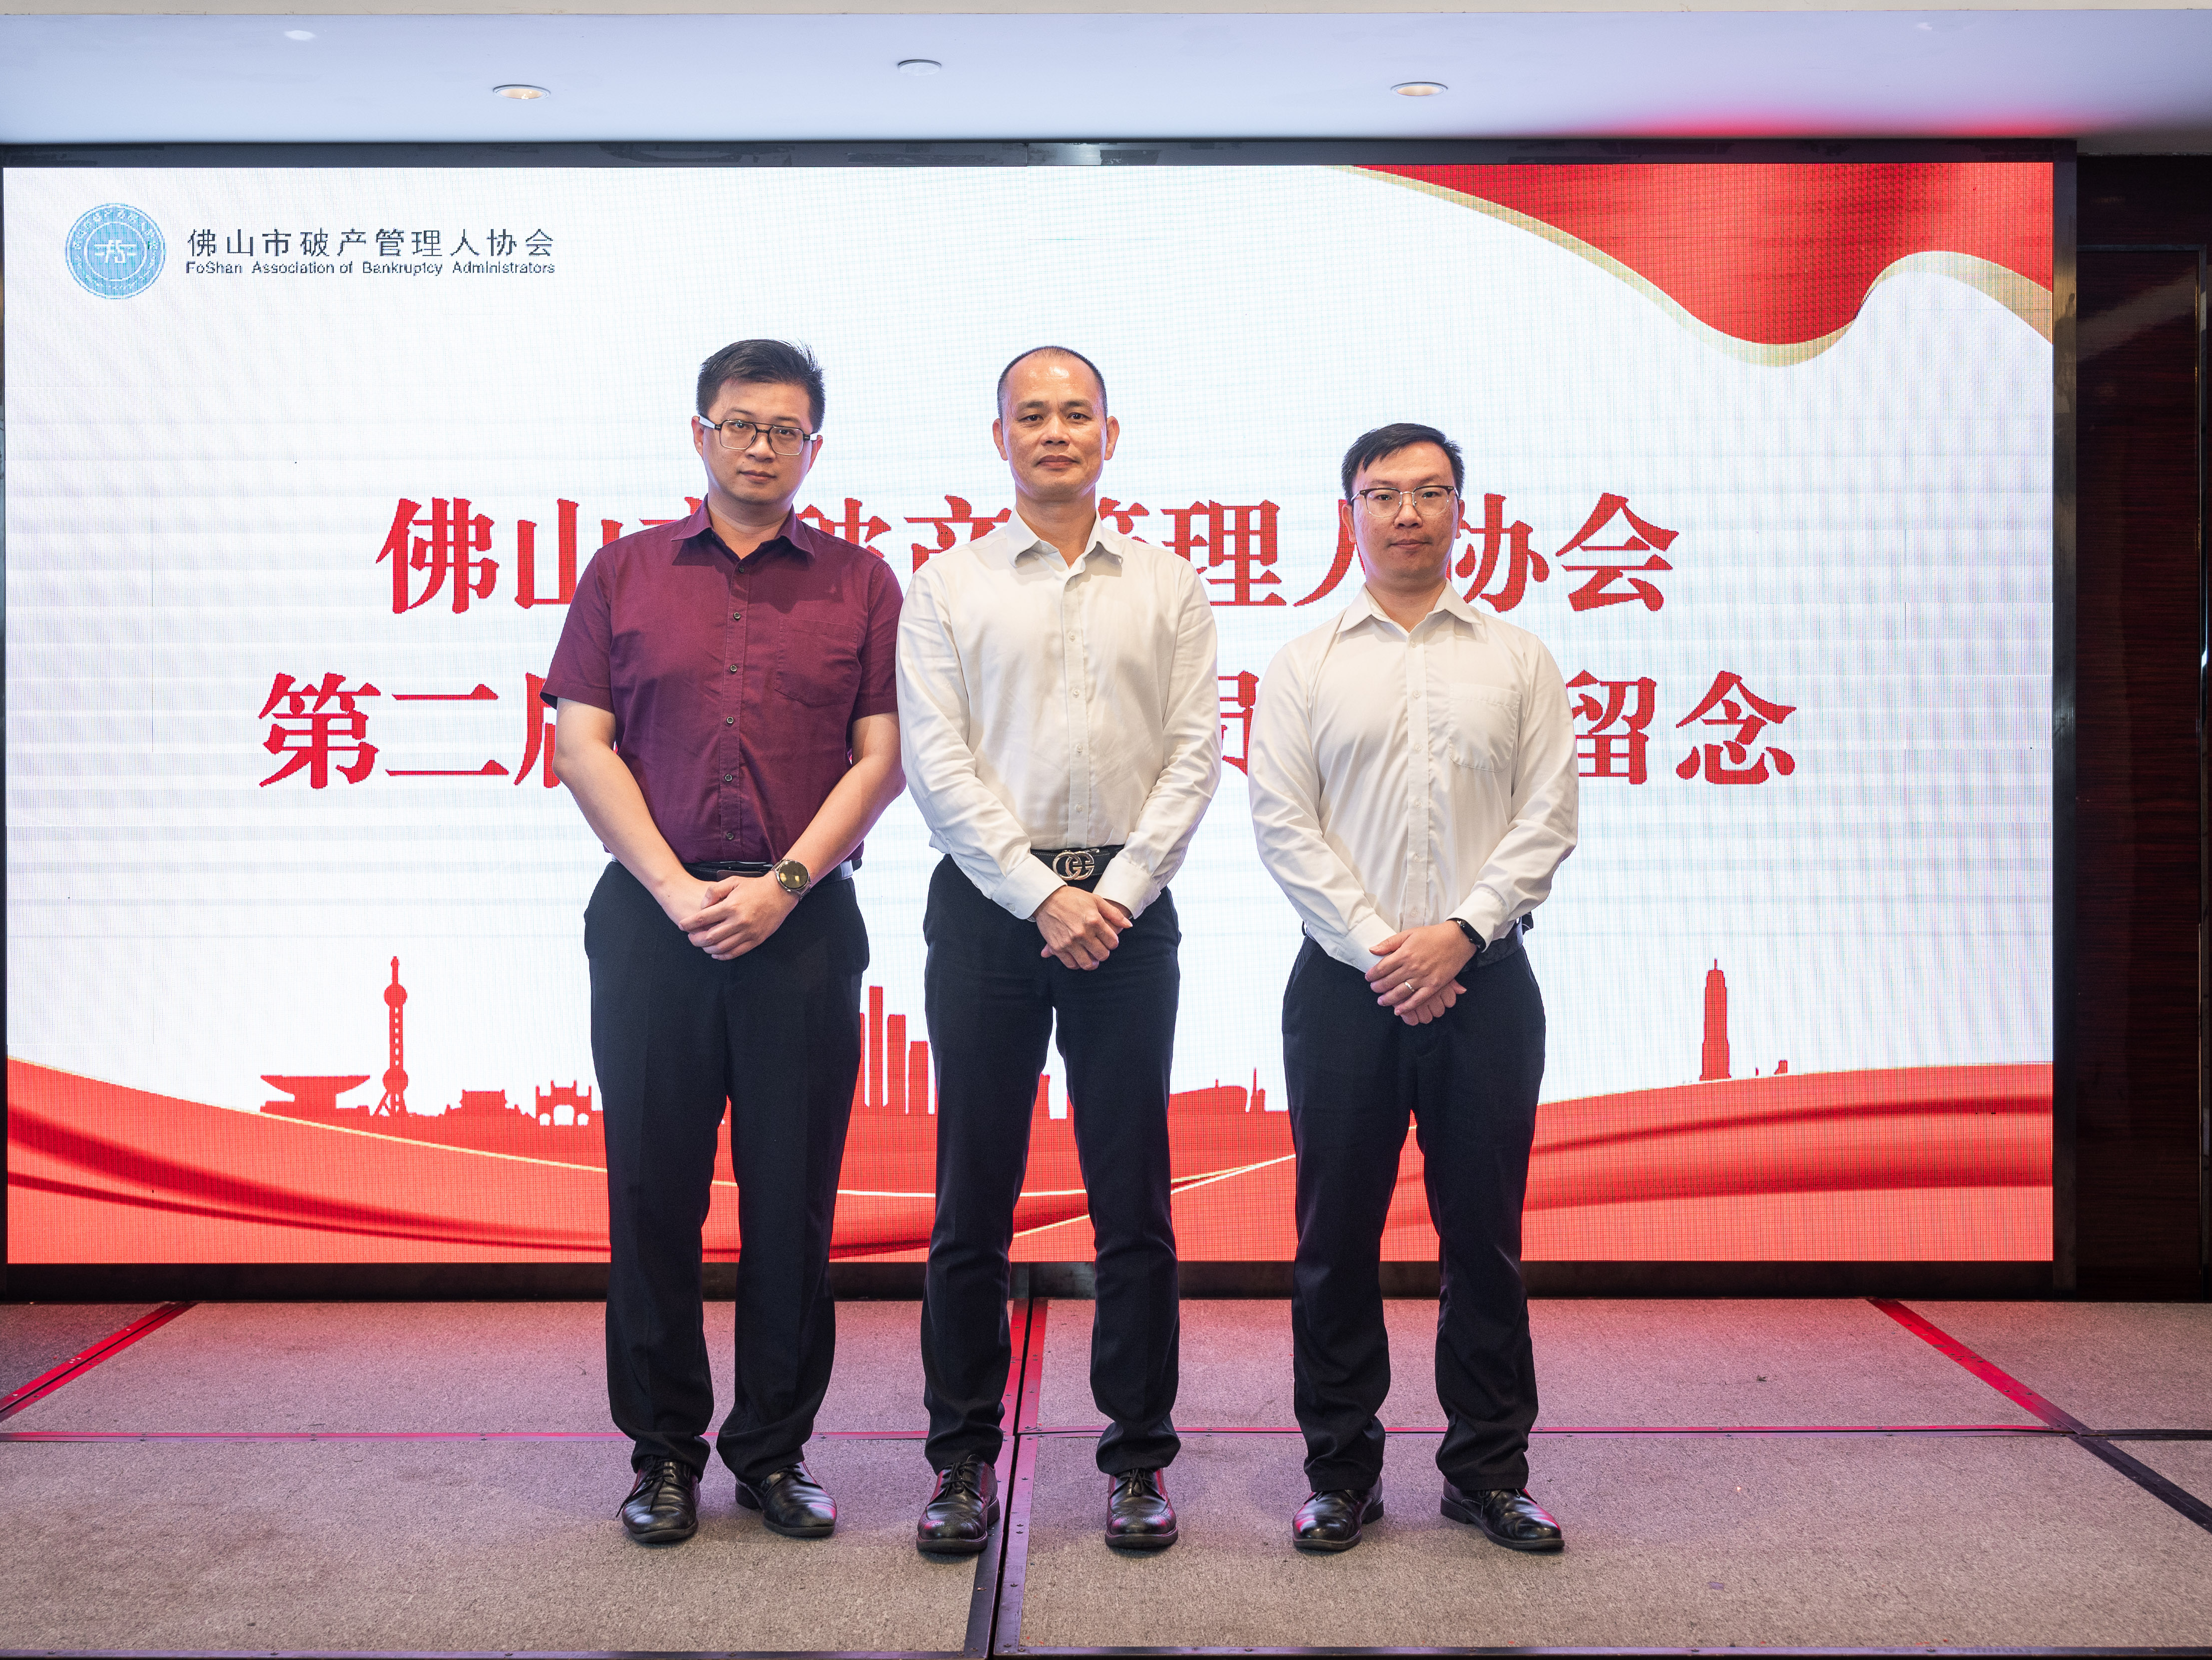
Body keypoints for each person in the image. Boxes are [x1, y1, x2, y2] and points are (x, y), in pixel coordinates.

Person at [545, 339, 906, 1545]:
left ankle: (774, 1451)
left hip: (801, 926)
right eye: (739, 425)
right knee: (652, 1193)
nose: (761, 447)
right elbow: (582, 743)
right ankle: (660, 1453)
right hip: (652, 923)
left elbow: (883, 757)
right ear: (700, 434)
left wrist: (787, 883)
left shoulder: (862, 583)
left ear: (814, 447)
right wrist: (670, 886)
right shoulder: (623, 571)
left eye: (784, 429)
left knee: (793, 1200)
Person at [898, 346, 1220, 1556]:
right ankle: (960, 1457)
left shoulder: (1169, 585)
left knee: (1132, 1198)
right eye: (1029, 415)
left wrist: (1114, 893)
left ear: (1109, 434)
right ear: (999, 439)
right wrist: (1041, 894)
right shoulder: (947, 584)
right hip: (990, 907)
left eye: (1074, 413)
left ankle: (1138, 1458)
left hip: (1128, 912)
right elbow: (938, 763)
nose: (1053, 432)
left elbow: (1194, 753)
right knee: (970, 1197)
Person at [1245, 422, 1577, 1555]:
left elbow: (1547, 817)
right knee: (1335, 1237)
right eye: (1382, 494)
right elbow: (1284, 826)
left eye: (1430, 493)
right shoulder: (1305, 664)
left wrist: (1461, 936)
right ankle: (1340, 1471)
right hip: (1346, 987)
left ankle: (1489, 1471)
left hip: (1487, 982)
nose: (1406, 514)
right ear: (1349, 512)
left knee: (1484, 1238)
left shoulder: (1518, 659)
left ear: (1461, 512)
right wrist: (1388, 950)